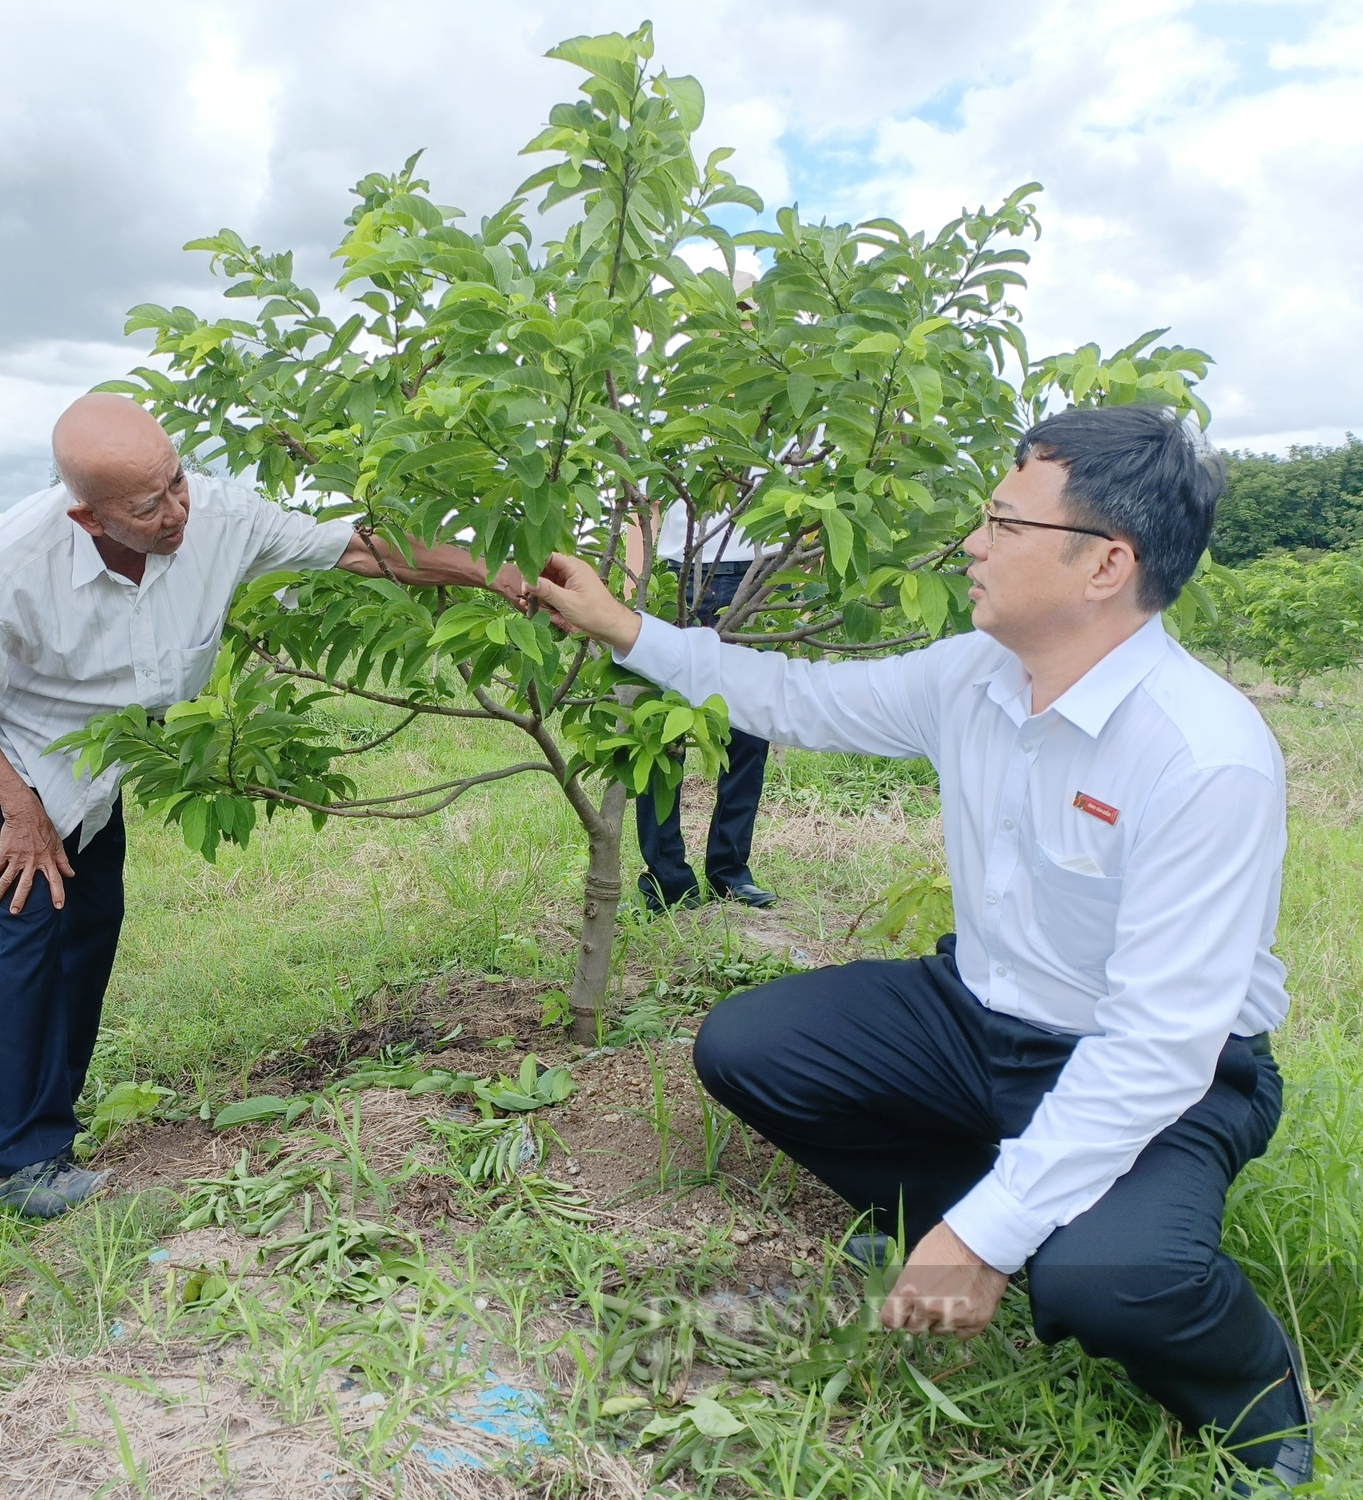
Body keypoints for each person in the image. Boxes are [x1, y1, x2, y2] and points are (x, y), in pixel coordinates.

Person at [534, 405, 1313, 1489]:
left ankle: (1254, 1396)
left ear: (1104, 565)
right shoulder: (971, 675)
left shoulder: (1202, 755)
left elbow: (1155, 1048)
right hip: (977, 1017)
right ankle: (974, 1211)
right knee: (749, 1047)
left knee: (1109, 1282)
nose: (971, 545)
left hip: (1167, 1077)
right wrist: (624, 628)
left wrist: (988, 1236)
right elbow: (794, 698)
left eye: (1001, 522)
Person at [0, 394, 529, 1221]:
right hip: (11, 762)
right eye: (147, 506)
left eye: (176, 483)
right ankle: (25, 1161)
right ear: (88, 516)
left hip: (104, 758)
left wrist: (500, 573)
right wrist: (21, 811)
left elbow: (357, 549)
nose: (175, 512)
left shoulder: (220, 517)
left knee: (92, 928)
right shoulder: (5, 568)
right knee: (31, 935)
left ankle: (53, 1123)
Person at [632, 502, 774, 911]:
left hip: (759, 573)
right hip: (678, 574)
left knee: (750, 732)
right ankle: (668, 878)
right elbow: (644, 504)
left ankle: (730, 873)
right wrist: (637, 588)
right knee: (658, 734)